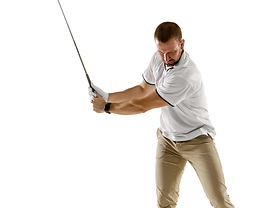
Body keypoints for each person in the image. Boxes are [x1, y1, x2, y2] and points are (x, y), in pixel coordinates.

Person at [91, 22, 235, 208]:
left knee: (219, 200)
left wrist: (107, 107)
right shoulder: (158, 59)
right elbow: (142, 90)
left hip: (197, 140)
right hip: (167, 141)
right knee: (164, 203)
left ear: (182, 44)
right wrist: (107, 95)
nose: (166, 58)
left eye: (171, 52)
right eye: (161, 52)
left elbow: (142, 105)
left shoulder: (184, 76)